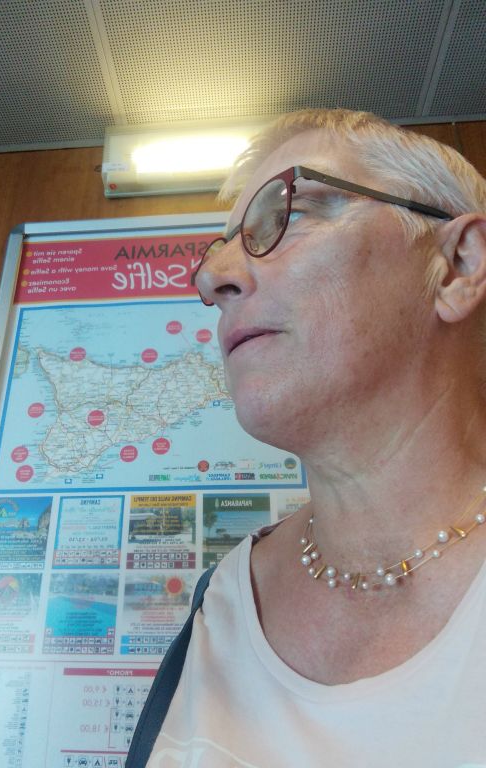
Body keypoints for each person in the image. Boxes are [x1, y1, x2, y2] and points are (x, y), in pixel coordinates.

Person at [148, 109, 486, 767]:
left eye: (288, 214)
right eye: (220, 248)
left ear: (456, 267)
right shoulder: (222, 599)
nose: (213, 279)